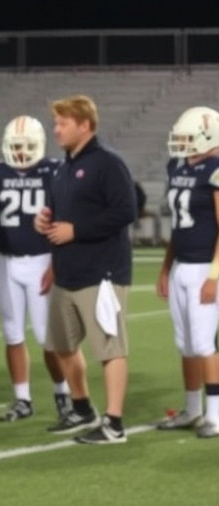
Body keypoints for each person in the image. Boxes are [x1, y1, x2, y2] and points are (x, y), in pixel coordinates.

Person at [34, 95, 136, 444]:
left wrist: (77, 230)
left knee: (110, 348)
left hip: (101, 272)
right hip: (67, 272)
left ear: (84, 125)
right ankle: (82, 407)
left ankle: (115, 423)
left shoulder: (108, 163)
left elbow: (126, 211)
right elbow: (58, 212)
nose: (56, 129)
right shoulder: (63, 168)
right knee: (61, 345)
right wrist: (44, 220)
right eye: (56, 123)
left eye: (62, 123)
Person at [0, 115, 71, 422]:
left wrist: (56, 262)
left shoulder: (54, 171)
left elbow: (65, 216)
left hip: (41, 260)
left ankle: (63, 392)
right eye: (16, 146)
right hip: (4, 261)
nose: (21, 153)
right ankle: (22, 398)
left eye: (27, 146)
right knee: (12, 334)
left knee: (49, 338)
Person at [156, 106, 219, 438]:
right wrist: (166, 267)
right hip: (181, 265)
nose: (181, 144)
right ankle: (192, 409)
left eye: (188, 138)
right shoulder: (178, 166)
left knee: (205, 343)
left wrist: (214, 275)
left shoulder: (216, 169)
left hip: (204, 268)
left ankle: (216, 415)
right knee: (186, 344)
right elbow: (179, 228)